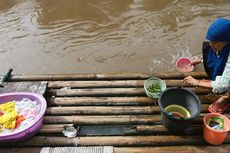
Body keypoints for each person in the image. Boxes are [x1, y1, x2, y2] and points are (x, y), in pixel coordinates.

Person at [183, 18, 230, 113]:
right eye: (211, 40)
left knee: (225, 84)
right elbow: (217, 56)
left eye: (215, 42)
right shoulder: (222, 45)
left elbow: (224, 84)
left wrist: (197, 82)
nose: (211, 44)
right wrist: (201, 60)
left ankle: (228, 98)